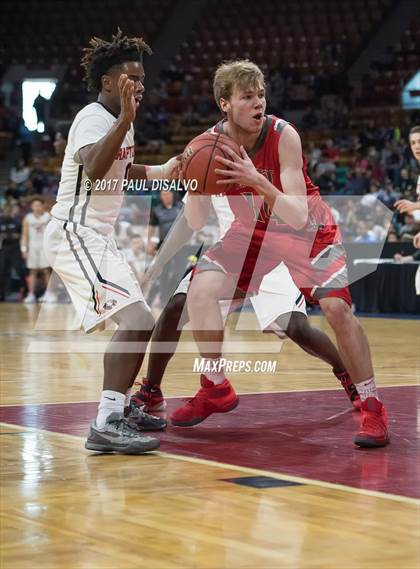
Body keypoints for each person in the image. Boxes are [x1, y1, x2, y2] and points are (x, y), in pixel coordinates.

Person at [174, 60, 389, 448]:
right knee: (199, 290)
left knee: (338, 311)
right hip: (251, 233)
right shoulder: (209, 147)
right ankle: (215, 386)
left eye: (261, 95)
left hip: (308, 231)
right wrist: (193, 184)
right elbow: (195, 220)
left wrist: (257, 181)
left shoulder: (283, 134)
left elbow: (296, 213)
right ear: (225, 103)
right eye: (247, 97)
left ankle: (372, 405)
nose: (258, 103)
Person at [43, 30, 179, 454]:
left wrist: (164, 170)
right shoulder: (94, 117)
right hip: (74, 233)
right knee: (137, 322)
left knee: (144, 322)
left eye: (142, 79)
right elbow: (98, 169)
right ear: (107, 81)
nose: (139, 85)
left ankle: (119, 409)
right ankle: (105, 422)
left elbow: (122, 168)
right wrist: (124, 121)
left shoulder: (122, 121)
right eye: (131, 77)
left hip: (99, 237)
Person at [130, 194, 361, 414]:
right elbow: (187, 220)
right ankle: (152, 390)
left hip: (273, 251)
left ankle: (346, 372)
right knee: (176, 307)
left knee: (297, 328)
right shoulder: (206, 157)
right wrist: (159, 261)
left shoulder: (266, 157)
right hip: (229, 254)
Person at [21, 198, 53, 304]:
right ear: (32, 207)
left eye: (39, 205)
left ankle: (49, 294)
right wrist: (24, 249)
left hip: (45, 247)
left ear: (43, 206)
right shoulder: (28, 218)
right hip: (33, 247)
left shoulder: (48, 217)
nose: (37, 207)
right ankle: (31, 294)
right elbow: (24, 235)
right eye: (35, 205)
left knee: (46, 270)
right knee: (33, 271)